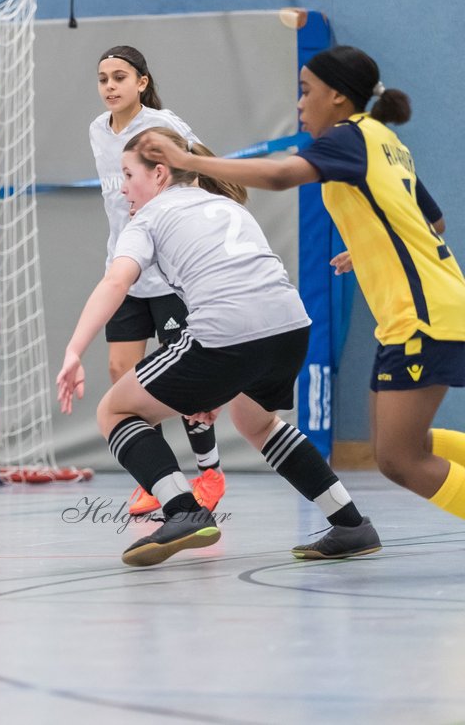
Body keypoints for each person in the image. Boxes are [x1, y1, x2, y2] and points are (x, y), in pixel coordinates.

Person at [137, 44, 465, 525]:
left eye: (305, 90)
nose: (298, 103)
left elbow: (279, 174)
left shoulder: (347, 138)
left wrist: (191, 161)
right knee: (395, 443)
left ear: (336, 96)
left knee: (399, 460)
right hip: (425, 309)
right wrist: (371, 246)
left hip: (423, 314)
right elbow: (430, 222)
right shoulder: (384, 140)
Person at [57, 126, 380, 566]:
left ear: (159, 173)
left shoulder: (149, 219)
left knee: (113, 411)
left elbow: (117, 282)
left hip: (230, 332)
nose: (121, 188)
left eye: (127, 174)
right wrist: (212, 388)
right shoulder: (225, 204)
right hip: (290, 325)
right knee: (257, 422)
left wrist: (75, 350)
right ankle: (350, 523)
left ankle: (182, 510)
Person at [90, 46, 225, 516]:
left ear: (142, 82)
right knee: (122, 378)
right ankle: (160, 477)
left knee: (181, 380)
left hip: (169, 275)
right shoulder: (96, 131)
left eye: (120, 77)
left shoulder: (166, 126)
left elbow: (204, 171)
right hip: (126, 270)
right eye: (103, 78)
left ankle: (209, 472)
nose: (110, 86)